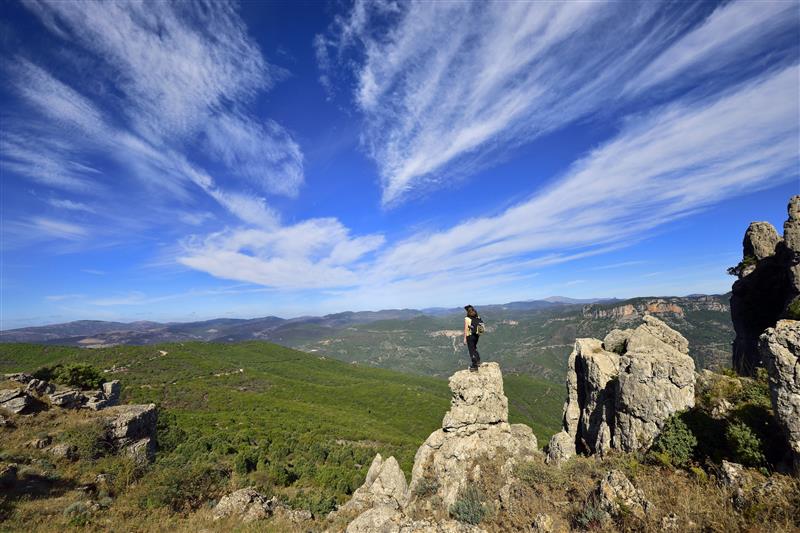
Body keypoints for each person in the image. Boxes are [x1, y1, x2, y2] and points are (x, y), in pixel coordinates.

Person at [463, 305, 481, 371]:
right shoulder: (477, 316)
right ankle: (478, 361)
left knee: (471, 350)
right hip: (476, 335)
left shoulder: (467, 318)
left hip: (470, 336)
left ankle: (474, 366)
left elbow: (465, 329)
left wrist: (464, 338)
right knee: (474, 348)